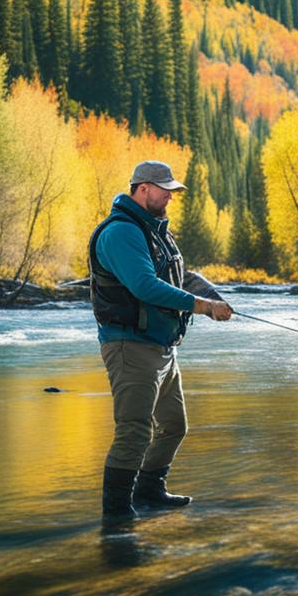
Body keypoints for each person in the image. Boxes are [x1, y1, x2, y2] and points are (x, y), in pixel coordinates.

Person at [88, 160, 233, 519]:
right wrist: (202, 306)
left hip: (161, 346)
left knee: (174, 426)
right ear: (141, 189)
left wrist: (214, 296)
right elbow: (145, 286)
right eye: (163, 189)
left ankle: (150, 491)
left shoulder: (154, 231)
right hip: (129, 345)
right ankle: (117, 513)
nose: (170, 196)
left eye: (172, 190)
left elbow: (178, 275)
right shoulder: (121, 232)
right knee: (134, 431)